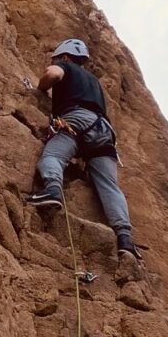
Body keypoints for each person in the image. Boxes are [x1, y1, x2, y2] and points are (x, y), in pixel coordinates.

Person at [27, 38, 140, 260]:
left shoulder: (65, 66)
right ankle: (125, 239)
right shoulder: (94, 82)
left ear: (66, 57)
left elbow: (52, 75)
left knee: (52, 156)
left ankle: (52, 189)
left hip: (77, 120)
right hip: (103, 131)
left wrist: (40, 89)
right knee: (109, 185)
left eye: (58, 59)